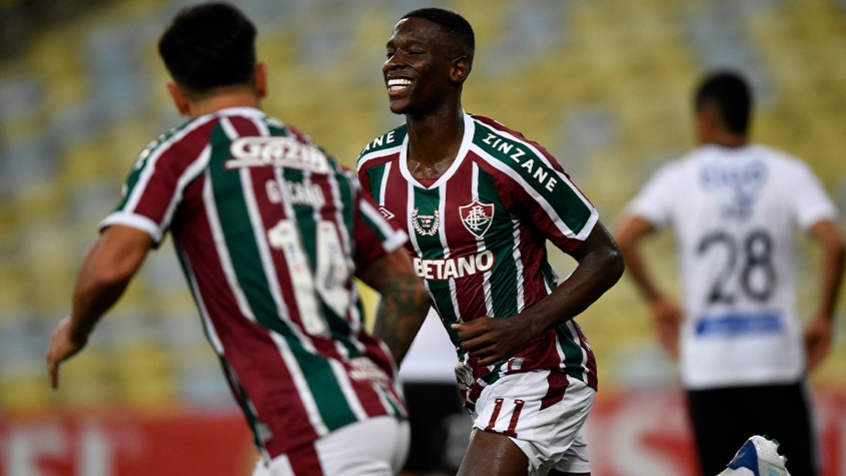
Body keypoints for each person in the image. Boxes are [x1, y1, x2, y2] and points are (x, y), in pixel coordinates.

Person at [45, 3, 430, 475]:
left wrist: (76, 330)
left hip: (315, 428)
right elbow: (409, 287)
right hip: (369, 414)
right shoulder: (322, 164)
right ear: (260, 77)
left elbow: (112, 266)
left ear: (177, 97)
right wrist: (367, 380)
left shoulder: (180, 154)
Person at [357, 8, 624, 476]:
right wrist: (374, 377)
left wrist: (523, 326)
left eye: (413, 52)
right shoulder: (375, 168)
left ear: (457, 69)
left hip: (543, 371)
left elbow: (605, 256)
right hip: (478, 382)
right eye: (390, 52)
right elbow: (410, 289)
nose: (394, 62)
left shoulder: (508, 161)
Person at [614, 71, 845, 476]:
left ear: (703, 119)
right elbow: (834, 241)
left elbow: (624, 238)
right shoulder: (787, 171)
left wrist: (659, 301)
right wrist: (824, 315)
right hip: (775, 356)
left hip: (709, 362)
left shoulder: (679, 176)